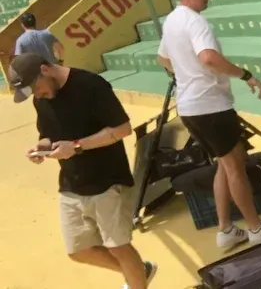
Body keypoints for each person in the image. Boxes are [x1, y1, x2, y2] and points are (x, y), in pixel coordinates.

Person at [157, 0, 261, 249]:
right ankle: (256, 227)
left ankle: (226, 229)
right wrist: (244, 74)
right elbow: (208, 57)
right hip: (211, 107)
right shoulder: (195, 22)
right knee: (235, 167)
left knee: (225, 162)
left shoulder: (171, 21)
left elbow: (163, 58)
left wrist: (185, 76)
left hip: (191, 107)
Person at [12, 53, 157, 289]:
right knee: (78, 250)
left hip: (108, 180)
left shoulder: (90, 85)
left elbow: (122, 129)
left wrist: (77, 146)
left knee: (117, 246)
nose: (36, 95)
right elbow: (49, 133)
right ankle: (138, 272)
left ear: (45, 70)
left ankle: (136, 279)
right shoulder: (42, 99)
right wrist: (42, 148)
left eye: (35, 88)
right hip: (72, 183)